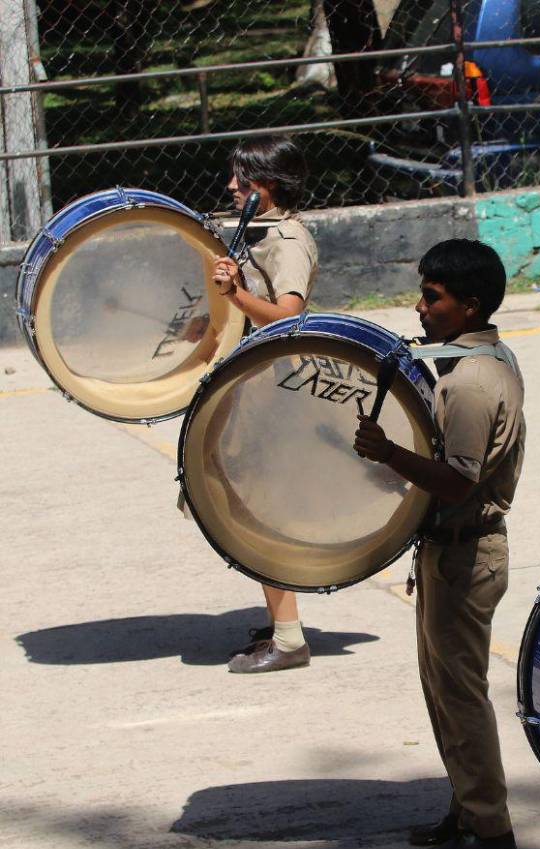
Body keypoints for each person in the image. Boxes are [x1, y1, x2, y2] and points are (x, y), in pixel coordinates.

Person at [353, 239, 524, 849]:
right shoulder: (473, 359)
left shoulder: (474, 383)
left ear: (468, 305)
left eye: (433, 296)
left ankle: (490, 826)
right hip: (448, 548)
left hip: (466, 553)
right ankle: (466, 806)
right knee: (442, 686)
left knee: (461, 693)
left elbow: (457, 479)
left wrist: (388, 454)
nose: (420, 307)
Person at [213, 136, 320, 674]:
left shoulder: (287, 240)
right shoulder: (255, 234)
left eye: (242, 178)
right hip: (253, 387)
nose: (232, 187)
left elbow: (290, 317)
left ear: (268, 184)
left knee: (259, 513)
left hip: (276, 393)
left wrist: (236, 295)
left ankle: (289, 638)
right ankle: (283, 623)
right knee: (245, 508)